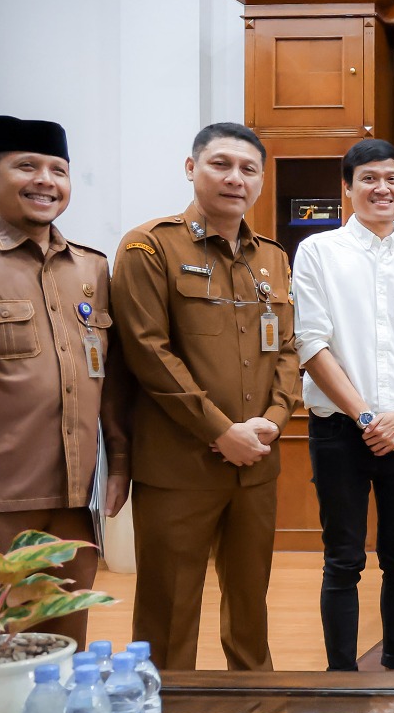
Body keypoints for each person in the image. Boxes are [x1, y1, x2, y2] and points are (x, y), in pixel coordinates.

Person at [0, 116, 130, 651]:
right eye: (27, 166)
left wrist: (119, 460)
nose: (45, 180)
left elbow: (109, 379)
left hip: (72, 505)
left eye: (58, 170)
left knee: (64, 652)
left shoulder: (90, 268)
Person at [111, 122, 299, 671]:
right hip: (178, 466)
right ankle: (166, 710)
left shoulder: (272, 258)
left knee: (251, 608)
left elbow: (287, 349)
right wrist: (220, 430)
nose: (235, 178)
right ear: (191, 168)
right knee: (168, 611)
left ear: (260, 180)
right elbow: (148, 352)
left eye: (248, 169)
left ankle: (254, 706)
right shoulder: (150, 246)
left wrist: (274, 419)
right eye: (221, 164)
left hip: (256, 463)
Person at [292, 139, 394, 673]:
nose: (382, 189)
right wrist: (364, 415)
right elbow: (311, 342)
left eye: (392, 179)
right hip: (339, 430)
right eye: (369, 179)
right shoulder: (318, 252)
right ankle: (341, 677)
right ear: (348, 187)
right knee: (343, 558)